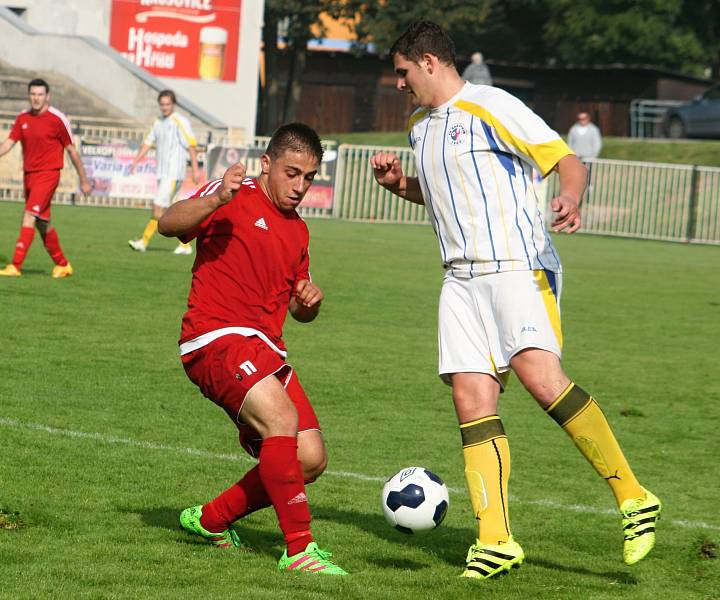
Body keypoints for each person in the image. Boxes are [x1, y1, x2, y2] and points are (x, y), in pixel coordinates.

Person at [370, 21, 660, 580]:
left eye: (403, 73)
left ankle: (634, 498)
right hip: (458, 277)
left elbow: (564, 161)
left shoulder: (493, 104)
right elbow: (439, 196)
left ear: (429, 62)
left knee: (540, 378)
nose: (400, 85)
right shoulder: (417, 127)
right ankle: (496, 540)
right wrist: (399, 185)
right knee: (470, 398)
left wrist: (571, 197)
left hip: (517, 266)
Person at [157, 123, 348, 576]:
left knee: (311, 458)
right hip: (214, 338)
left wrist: (309, 304)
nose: (300, 186)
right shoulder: (234, 195)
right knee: (282, 420)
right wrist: (215, 199)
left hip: (267, 348)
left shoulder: (298, 231)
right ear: (267, 165)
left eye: (309, 177)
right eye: (292, 173)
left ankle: (211, 519)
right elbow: (168, 223)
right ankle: (300, 549)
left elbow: (297, 312)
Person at [0, 78, 92, 278]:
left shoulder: (57, 119)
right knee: (42, 223)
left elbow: (72, 151)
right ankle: (63, 264)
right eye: (33, 94)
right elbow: (8, 144)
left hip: (48, 175)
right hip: (29, 176)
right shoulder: (23, 118)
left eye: (40, 94)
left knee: (29, 215)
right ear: (28, 95)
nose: (36, 98)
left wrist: (83, 180)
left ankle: (15, 265)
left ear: (47, 96)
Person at [127, 89, 200, 255]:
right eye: (162, 104)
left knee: (157, 208)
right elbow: (147, 142)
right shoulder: (158, 122)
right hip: (162, 173)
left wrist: (195, 169)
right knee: (167, 211)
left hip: (174, 173)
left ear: (173, 104)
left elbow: (191, 145)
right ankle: (185, 245)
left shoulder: (180, 121)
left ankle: (143, 242)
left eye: (168, 104)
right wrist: (136, 161)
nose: (165, 107)